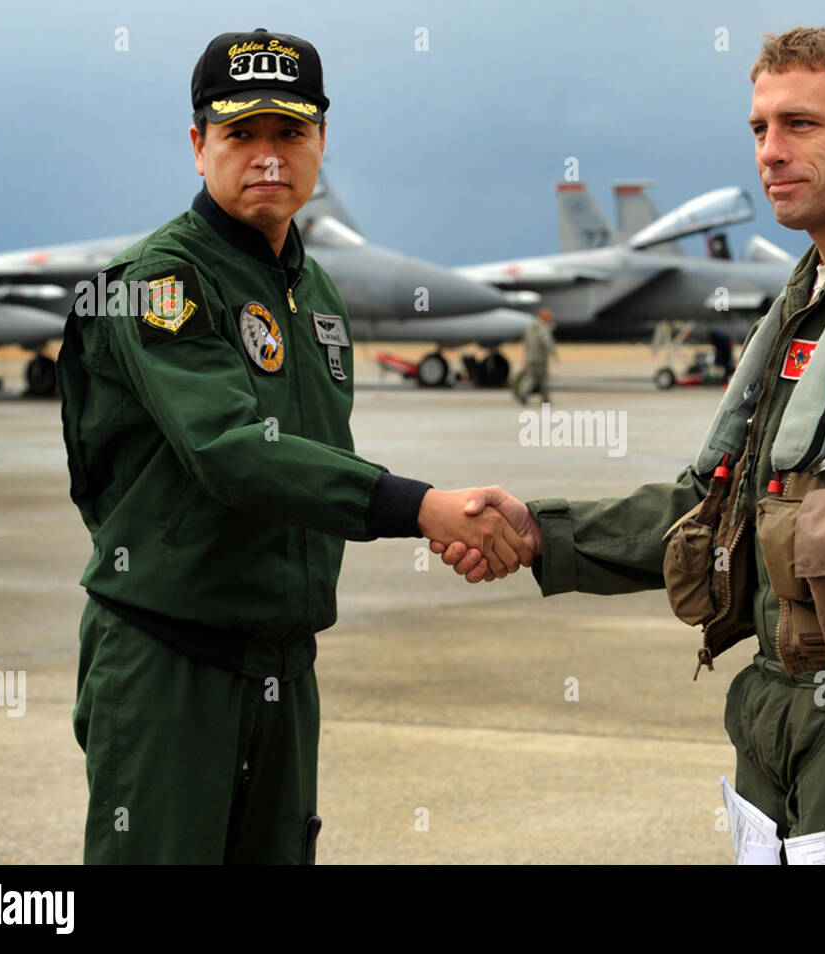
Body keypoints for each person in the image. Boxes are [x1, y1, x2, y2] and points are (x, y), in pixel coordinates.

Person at [436, 26, 825, 864]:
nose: (770, 152)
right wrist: (543, 532)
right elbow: (719, 508)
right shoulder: (813, 302)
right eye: (758, 129)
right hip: (773, 704)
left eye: (800, 125)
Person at [56, 27, 533, 864]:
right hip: (171, 657)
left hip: (282, 657)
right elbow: (234, 450)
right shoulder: (161, 283)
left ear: (321, 143)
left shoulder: (310, 287)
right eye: (241, 133)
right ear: (198, 145)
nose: (268, 156)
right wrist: (417, 505)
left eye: (291, 133)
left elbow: (307, 449)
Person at [514, 307, 557, 405]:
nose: (551, 319)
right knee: (541, 378)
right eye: (549, 317)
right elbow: (545, 340)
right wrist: (553, 351)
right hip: (540, 358)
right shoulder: (542, 327)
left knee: (533, 377)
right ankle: (538, 397)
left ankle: (530, 395)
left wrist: (527, 358)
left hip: (531, 357)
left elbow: (527, 343)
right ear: (544, 317)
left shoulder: (531, 326)